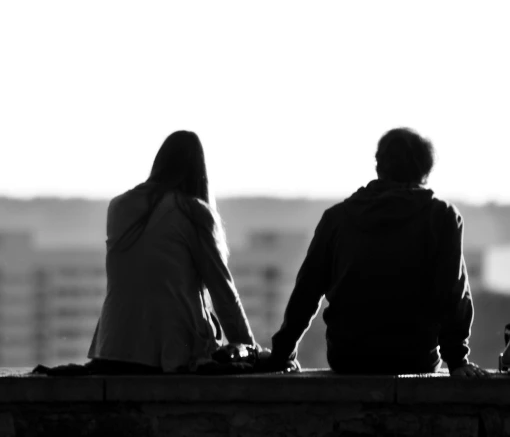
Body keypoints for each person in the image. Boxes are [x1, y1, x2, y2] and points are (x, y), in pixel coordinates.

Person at [264, 127, 488, 377]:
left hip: (347, 358)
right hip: (415, 359)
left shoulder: (337, 218)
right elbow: (453, 293)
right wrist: (458, 360)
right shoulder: (442, 217)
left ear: (379, 165)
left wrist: (281, 354)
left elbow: (307, 291)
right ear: (425, 170)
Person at [86, 130, 256, 373]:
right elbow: (223, 294)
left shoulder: (119, 207)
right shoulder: (192, 212)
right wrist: (250, 351)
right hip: (171, 354)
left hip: (113, 348)